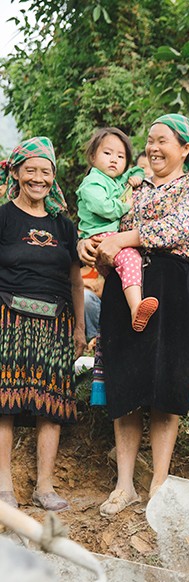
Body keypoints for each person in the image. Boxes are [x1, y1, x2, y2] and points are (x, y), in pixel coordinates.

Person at [78, 114, 189, 517]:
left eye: (163, 141)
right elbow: (106, 228)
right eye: (149, 140)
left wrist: (124, 237)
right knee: (125, 379)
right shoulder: (129, 187)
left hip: (173, 287)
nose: (153, 148)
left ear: (185, 148)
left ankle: (158, 484)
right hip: (127, 288)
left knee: (165, 383)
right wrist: (92, 245)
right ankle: (124, 486)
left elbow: (179, 226)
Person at [0, 137, 85, 511]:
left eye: (46, 172)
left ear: (54, 177)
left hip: (56, 323)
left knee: (50, 405)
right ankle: (4, 487)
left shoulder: (63, 226)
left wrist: (80, 327)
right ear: (16, 173)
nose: (38, 178)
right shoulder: (3, 218)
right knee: (6, 404)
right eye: (31, 170)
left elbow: (76, 280)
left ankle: (44, 486)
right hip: (9, 320)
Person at [77, 127, 159, 332]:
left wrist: (137, 175)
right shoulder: (92, 182)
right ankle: (135, 308)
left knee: (130, 264)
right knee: (131, 258)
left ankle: (132, 310)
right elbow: (103, 207)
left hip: (111, 236)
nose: (114, 160)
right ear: (93, 157)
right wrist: (125, 204)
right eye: (107, 153)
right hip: (99, 235)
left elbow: (135, 171)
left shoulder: (115, 180)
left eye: (121, 156)